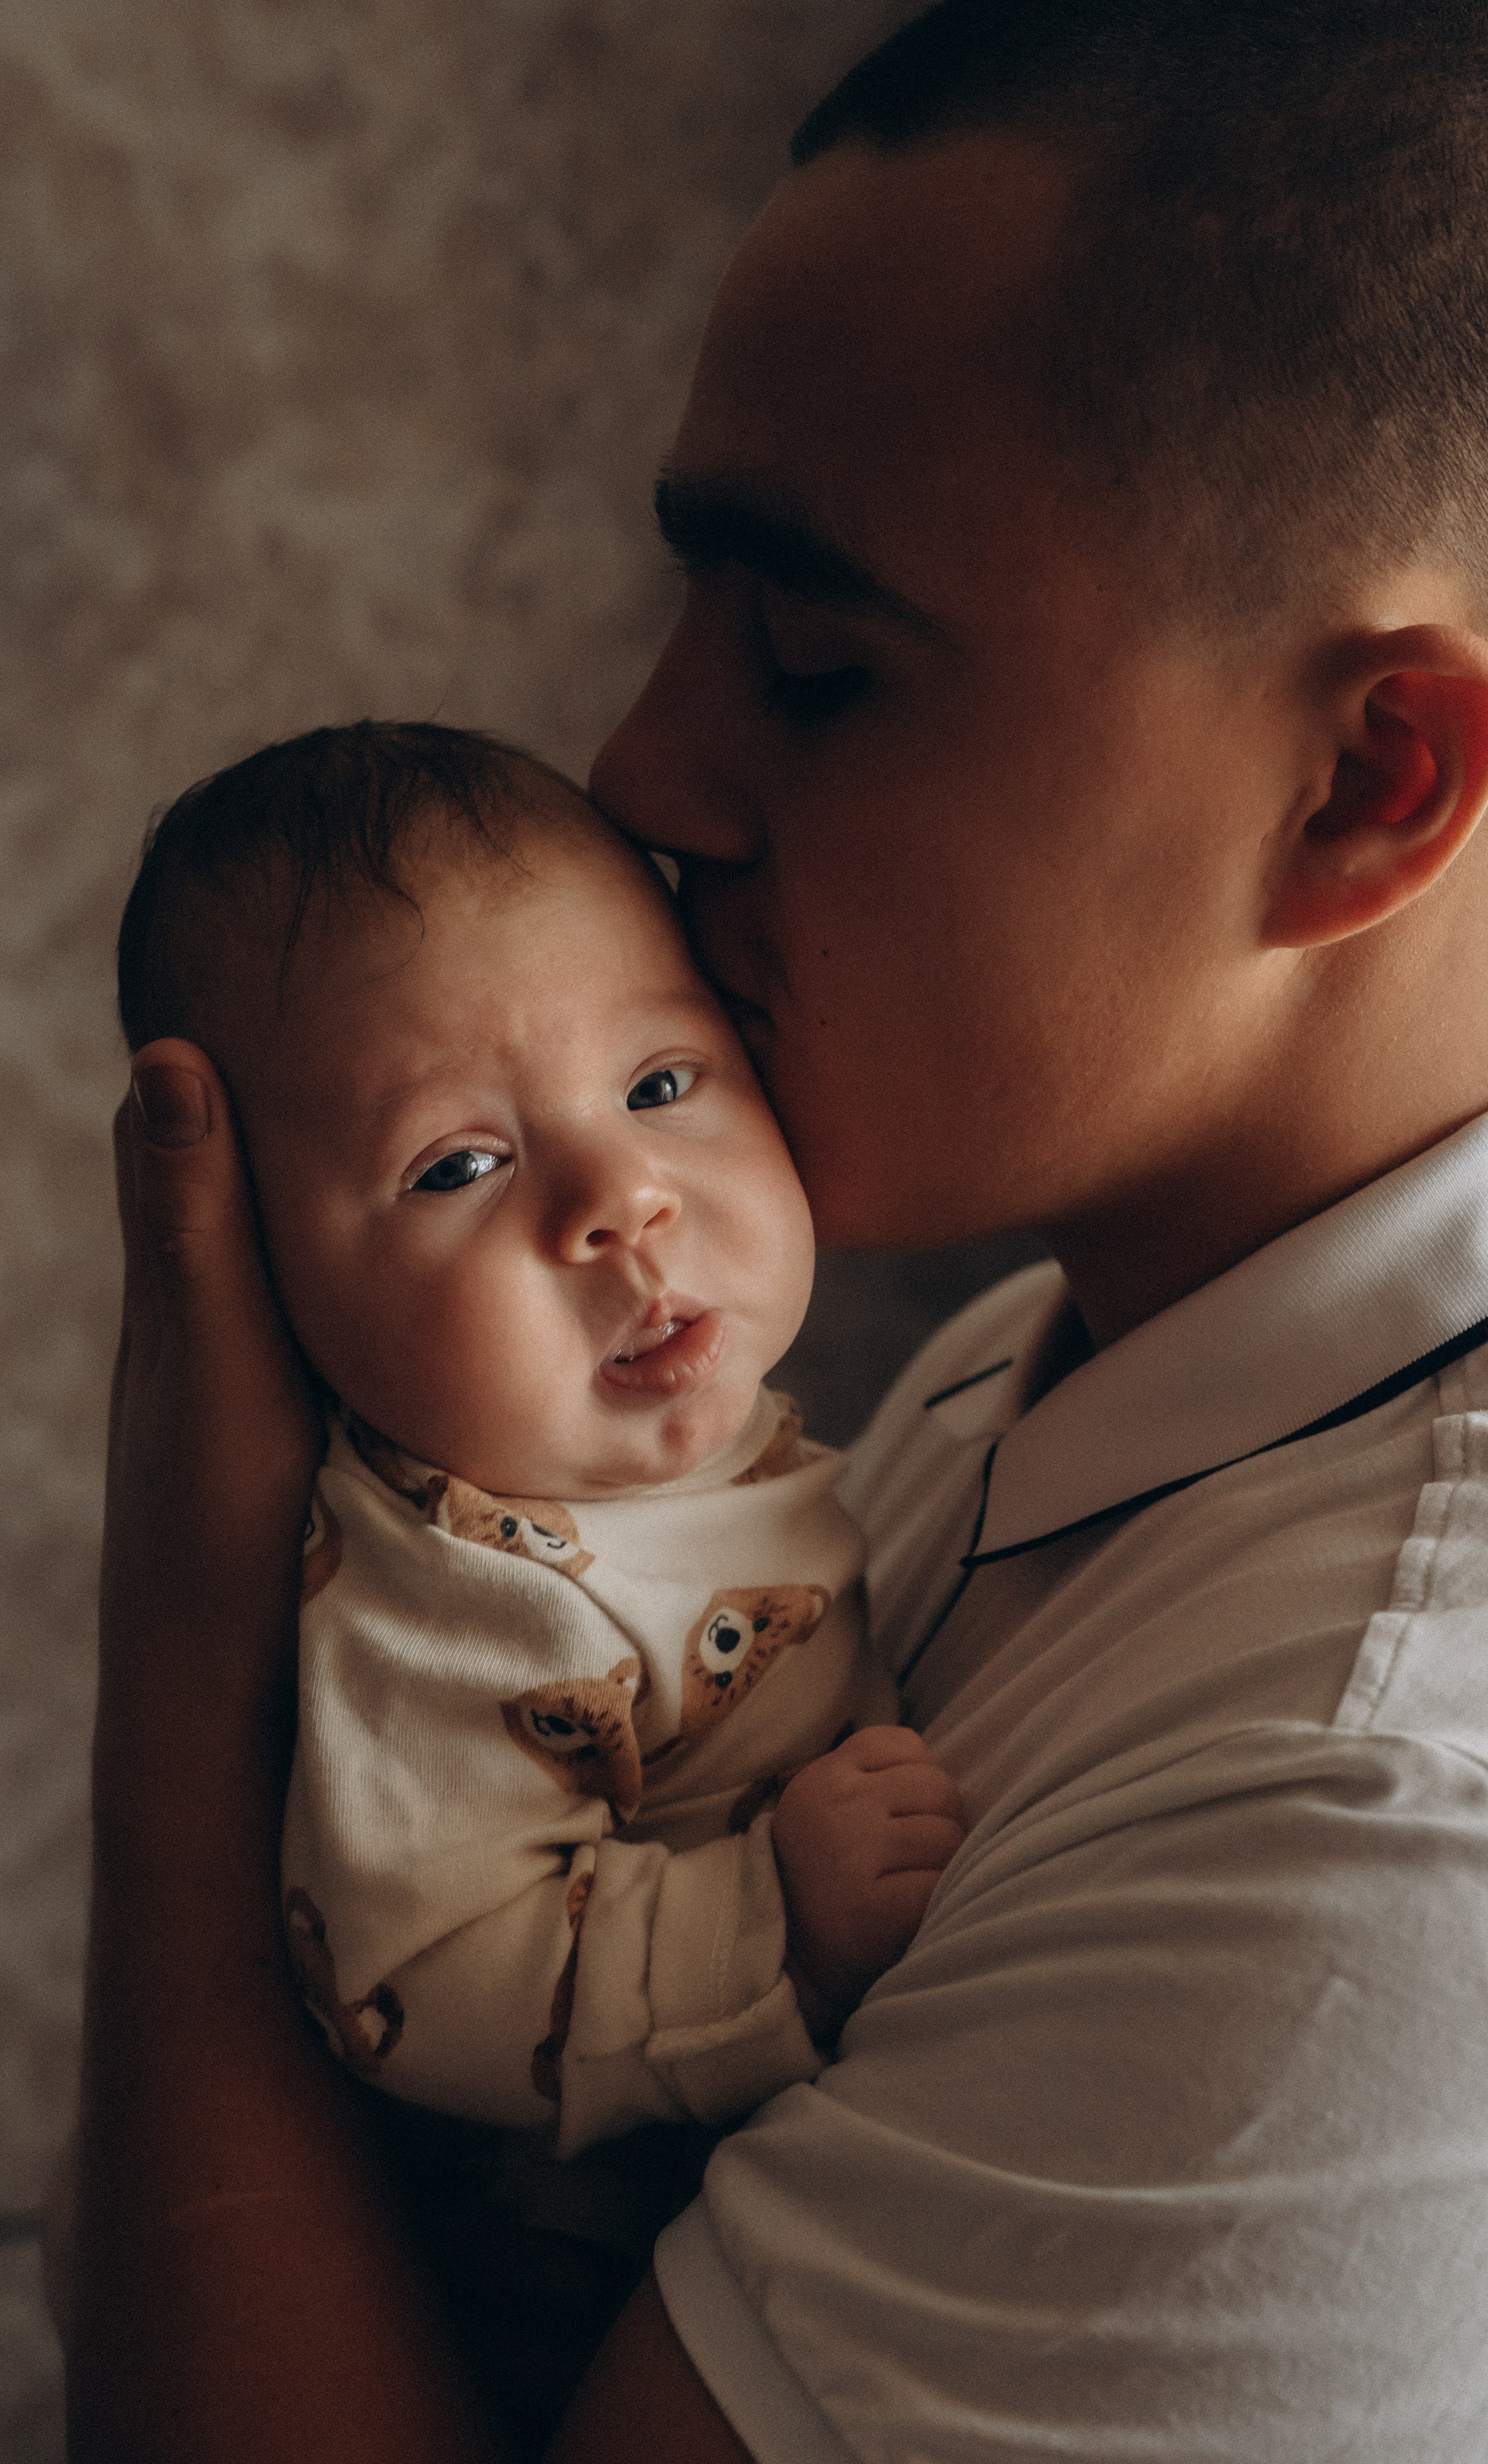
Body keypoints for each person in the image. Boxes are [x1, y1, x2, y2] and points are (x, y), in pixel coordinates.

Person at [65, 1, 1488, 2458]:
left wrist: (188, 1720)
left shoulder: (1401, 1844)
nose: (638, 771)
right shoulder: (1045, 1366)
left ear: (1368, 779)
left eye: (814, 662)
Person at [103, 719, 960, 2442]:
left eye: (661, 1083)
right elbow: (427, 1967)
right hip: (523, 2295)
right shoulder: (458, 1600)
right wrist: (767, 1921)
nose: (618, 1201)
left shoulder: (850, 1430)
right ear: (275, 1289)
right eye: (459, 1168)